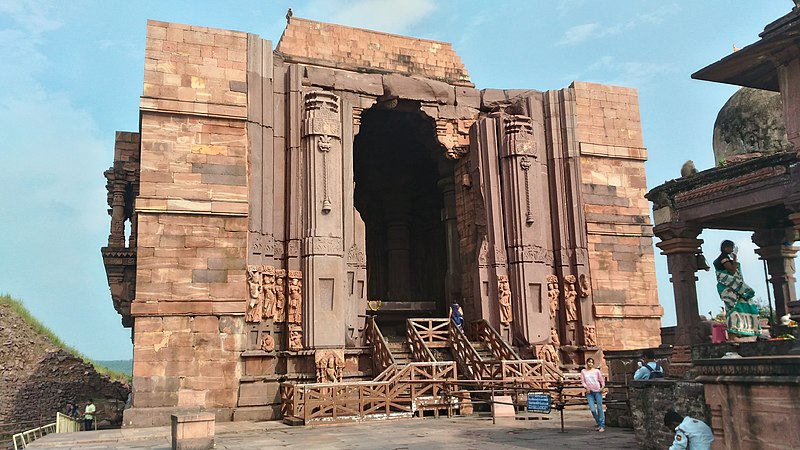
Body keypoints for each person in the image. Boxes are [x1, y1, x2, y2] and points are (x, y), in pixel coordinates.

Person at [713, 240, 760, 340]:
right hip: (730, 287)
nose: (732, 249)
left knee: (744, 307)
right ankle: (733, 333)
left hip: (735, 288)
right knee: (734, 309)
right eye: (731, 248)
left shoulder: (725, 258)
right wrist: (734, 259)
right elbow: (732, 270)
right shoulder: (723, 259)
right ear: (726, 248)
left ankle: (743, 331)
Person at [580, 357, 605, 432]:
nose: (590, 364)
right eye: (589, 362)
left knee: (600, 408)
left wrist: (602, 387)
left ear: (593, 364)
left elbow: (601, 380)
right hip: (589, 392)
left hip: (597, 390)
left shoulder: (596, 371)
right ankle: (599, 422)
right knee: (593, 409)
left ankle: (601, 425)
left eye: (591, 362)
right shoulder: (583, 371)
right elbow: (583, 381)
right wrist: (586, 387)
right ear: (586, 363)